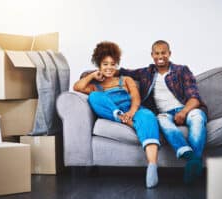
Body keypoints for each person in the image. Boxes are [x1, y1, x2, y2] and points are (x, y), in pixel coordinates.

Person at [74, 41, 161, 188]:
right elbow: (77, 87)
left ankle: (152, 166)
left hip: (132, 110)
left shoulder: (126, 79)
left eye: (112, 64)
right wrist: (92, 75)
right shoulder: (95, 85)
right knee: (95, 97)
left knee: (148, 117)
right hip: (112, 111)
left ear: (117, 64)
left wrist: (132, 112)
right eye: (105, 64)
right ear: (99, 66)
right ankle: (124, 120)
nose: (109, 67)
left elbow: (135, 97)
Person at [119, 40, 208, 184]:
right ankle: (191, 158)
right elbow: (121, 71)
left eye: (163, 53)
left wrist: (184, 112)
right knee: (160, 119)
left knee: (197, 117)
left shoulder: (181, 70)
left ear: (169, 54)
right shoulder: (146, 72)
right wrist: (93, 73)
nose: (160, 56)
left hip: (188, 109)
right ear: (152, 55)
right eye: (157, 53)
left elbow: (195, 98)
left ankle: (193, 162)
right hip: (165, 114)